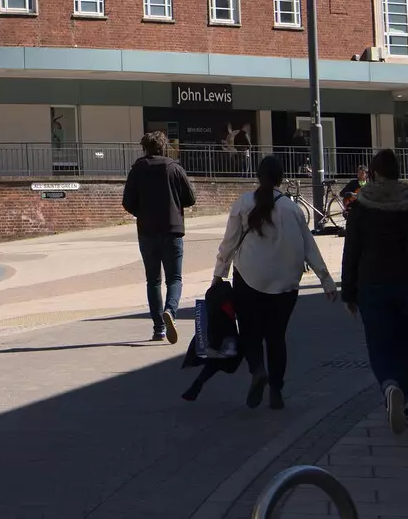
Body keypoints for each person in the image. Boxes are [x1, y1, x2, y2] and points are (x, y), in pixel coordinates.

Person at [187, 156, 337, 409]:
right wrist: (326, 279)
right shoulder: (293, 209)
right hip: (286, 283)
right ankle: (276, 391)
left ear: (258, 176)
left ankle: (258, 370)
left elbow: (230, 243)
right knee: (276, 337)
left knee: (250, 333)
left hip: (249, 278)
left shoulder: (243, 203)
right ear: (281, 178)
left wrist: (218, 274)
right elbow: (308, 245)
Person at [341, 148, 408, 434]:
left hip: (372, 284)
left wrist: (348, 292)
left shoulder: (361, 208)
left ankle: (388, 386)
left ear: (373, 173)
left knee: (379, 343)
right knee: (403, 343)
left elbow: (352, 252)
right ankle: (403, 400)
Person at [122, 131, 197, 344]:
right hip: (172, 230)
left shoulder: (137, 169)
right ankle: (171, 311)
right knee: (175, 278)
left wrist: (142, 212)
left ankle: (159, 329)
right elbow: (190, 198)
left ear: (145, 148)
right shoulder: (174, 168)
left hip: (147, 231)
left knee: (153, 280)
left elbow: (127, 202)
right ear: (163, 147)